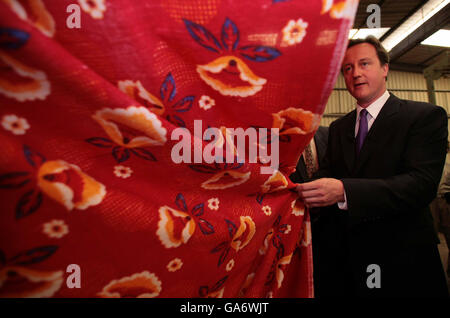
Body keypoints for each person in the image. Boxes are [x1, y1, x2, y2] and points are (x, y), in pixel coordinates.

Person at [297, 36, 449, 297]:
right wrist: (291, 191)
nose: (356, 73)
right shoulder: (339, 128)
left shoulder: (423, 117)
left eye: (364, 64)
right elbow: (328, 174)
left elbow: (420, 185)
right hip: (348, 260)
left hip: (402, 259)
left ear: (385, 68)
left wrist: (344, 191)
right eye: (348, 68)